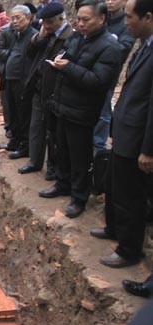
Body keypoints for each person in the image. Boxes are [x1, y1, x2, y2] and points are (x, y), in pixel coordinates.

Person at [38, 0, 122, 219]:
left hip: (83, 111)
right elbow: (69, 54)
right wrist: (61, 60)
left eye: (86, 20)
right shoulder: (77, 37)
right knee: (61, 149)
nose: (81, 23)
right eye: (79, 19)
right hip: (63, 105)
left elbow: (98, 82)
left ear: (101, 19)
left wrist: (70, 68)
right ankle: (62, 184)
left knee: (80, 156)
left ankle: (79, 197)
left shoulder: (109, 47)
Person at [90, 0, 153, 268]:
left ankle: (129, 250)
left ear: (148, 17)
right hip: (125, 133)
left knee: (131, 196)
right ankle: (114, 229)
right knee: (115, 187)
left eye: (129, 17)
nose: (125, 23)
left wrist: (148, 149)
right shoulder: (144, 47)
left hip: (138, 139)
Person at [18, 2, 73, 181]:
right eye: (43, 22)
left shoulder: (70, 37)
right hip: (39, 87)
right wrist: (39, 37)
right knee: (36, 128)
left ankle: (53, 169)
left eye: (49, 22)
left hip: (56, 92)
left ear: (61, 19)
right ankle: (34, 161)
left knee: (54, 134)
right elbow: (30, 53)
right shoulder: (45, 34)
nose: (45, 26)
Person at [0, 5, 37, 159]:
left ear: (29, 18)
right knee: (13, 112)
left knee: (23, 114)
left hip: (22, 81)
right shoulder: (16, 34)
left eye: (18, 18)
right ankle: (14, 141)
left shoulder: (32, 36)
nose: (14, 21)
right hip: (10, 79)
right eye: (13, 18)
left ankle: (25, 147)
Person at [93, 0, 135, 151]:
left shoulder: (126, 24)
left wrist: (103, 46)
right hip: (91, 72)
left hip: (109, 74)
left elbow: (124, 47)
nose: (110, 2)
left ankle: (99, 149)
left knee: (103, 112)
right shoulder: (101, 18)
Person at [0, 20, 15, 139]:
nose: (16, 21)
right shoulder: (4, 31)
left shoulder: (31, 33)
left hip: (21, 75)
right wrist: (14, 54)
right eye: (15, 18)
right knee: (7, 101)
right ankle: (9, 127)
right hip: (5, 72)